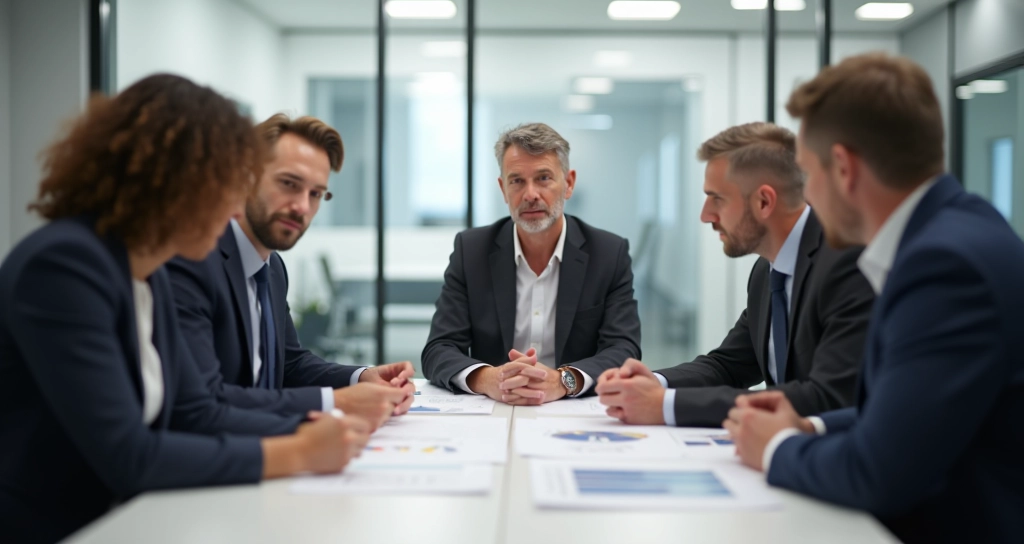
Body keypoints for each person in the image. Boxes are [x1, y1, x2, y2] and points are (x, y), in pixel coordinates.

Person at [0, 75, 370, 544]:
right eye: (227, 183)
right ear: (169, 179)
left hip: (145, 514)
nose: (237, 206)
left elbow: (197, 411)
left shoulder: (146, 270)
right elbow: (128, 455)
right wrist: (297, 452)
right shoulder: (64, 266)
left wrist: (327, 427)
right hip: (61, 525)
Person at [724, 53, 1024, 543]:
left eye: (806, 173)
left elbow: (879, 473)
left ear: (842, 168)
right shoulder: (960, 228)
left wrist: (775, 446)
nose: (805, 196)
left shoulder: (944, 268)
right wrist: (810, 428)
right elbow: (909, 413)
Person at [596, 123, 874, 427]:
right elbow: (728, 366)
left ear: (764, 202)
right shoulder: (766, 272)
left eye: (717, 198)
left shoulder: (848, 263)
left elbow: (826, 397)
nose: (705, 215)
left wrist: (665, 405)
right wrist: (655, 383)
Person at [167, 114, 414, 429]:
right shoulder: (196, 261)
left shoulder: (271, 267)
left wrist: (362, 377)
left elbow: (289, 364)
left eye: (315, 194)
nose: (302, 206)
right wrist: (335, 403)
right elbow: (204, 400)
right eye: (289, 184)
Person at [422, 122, 641, 404]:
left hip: (571, 408)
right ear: (503, 189)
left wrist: (564, 380)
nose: (530, 194)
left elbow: (624, 348)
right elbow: (439, 348)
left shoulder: (608, 253)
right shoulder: (471, 251)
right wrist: (489, 378)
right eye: (517, 181)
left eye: (543, 178)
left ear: (569, 183)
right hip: (493, 408)